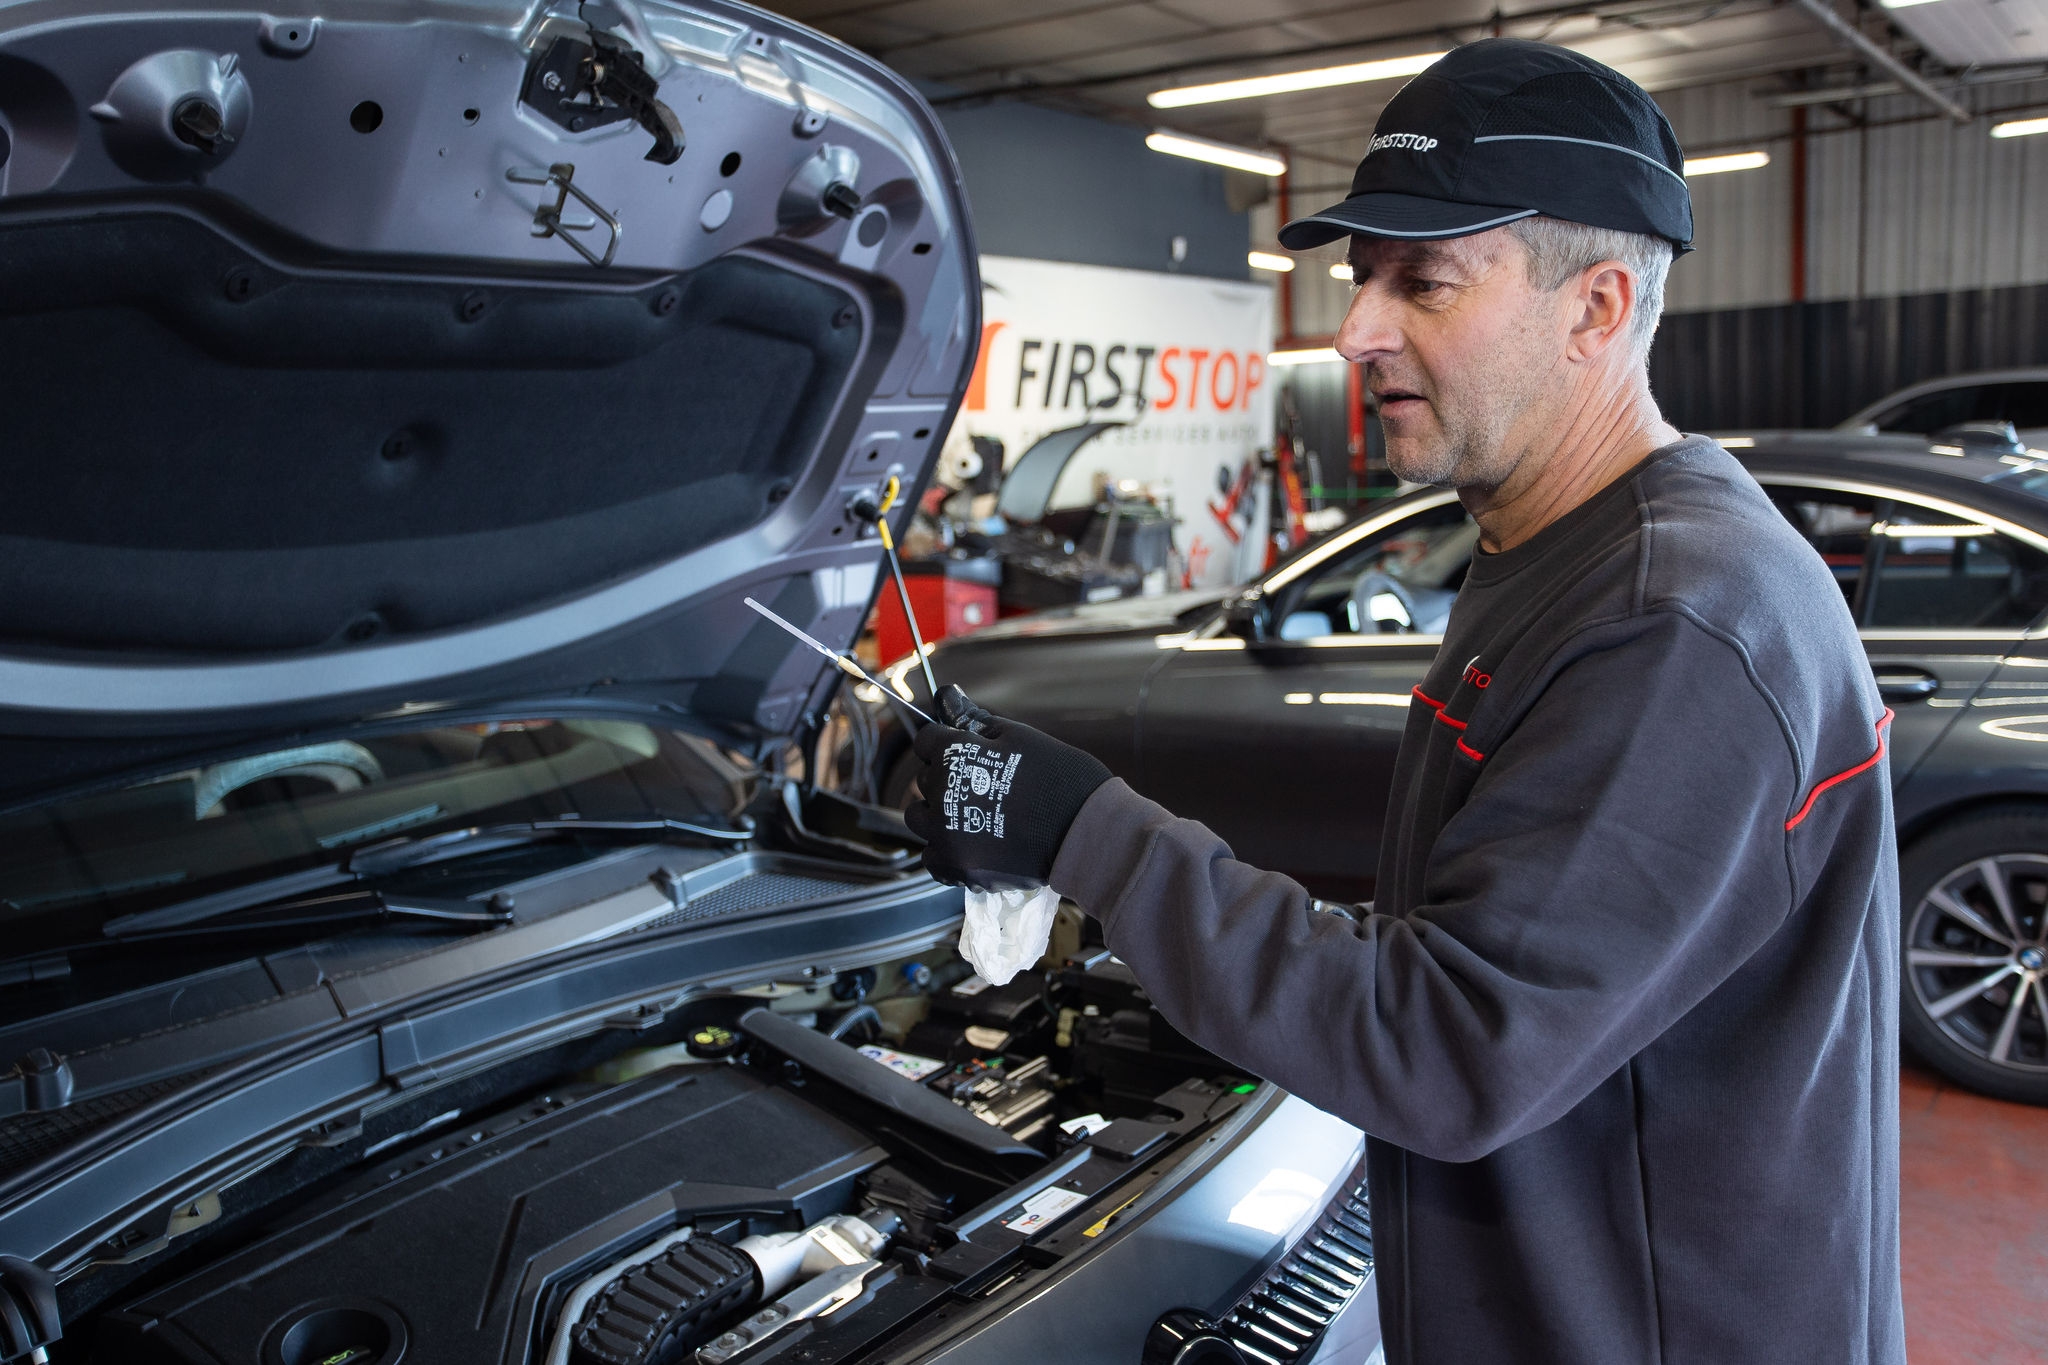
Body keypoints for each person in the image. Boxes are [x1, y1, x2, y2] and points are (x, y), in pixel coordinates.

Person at [905, 39, 1905, 1365]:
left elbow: (1448, 1046)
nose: (1358, 330)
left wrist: (1091, 830)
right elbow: (1500, 935)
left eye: (1424, 282)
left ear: (1597, 309)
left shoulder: (1677, 623)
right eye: (1364, 276)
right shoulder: (1553, 547)